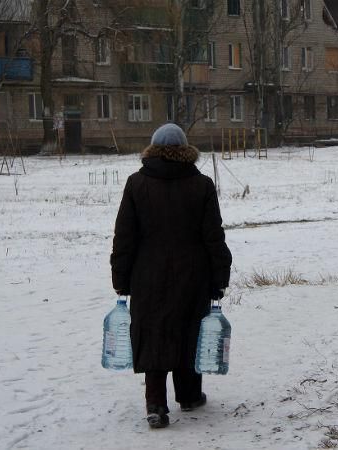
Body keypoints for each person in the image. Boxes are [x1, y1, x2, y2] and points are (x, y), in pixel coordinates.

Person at [110, 123, 232, 429]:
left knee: (153, 334)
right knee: (189, 330)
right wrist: (219, 276)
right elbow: (213, 237)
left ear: (152, 150)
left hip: (147, 273)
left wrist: (121, 278)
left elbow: (124, 236)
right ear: (185, 151)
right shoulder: (201, 185)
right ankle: (189, 396)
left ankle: (155, 404)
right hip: (193, 272)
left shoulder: (136, 184)